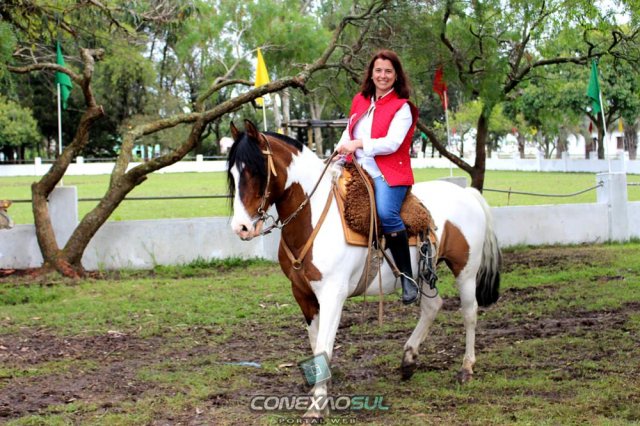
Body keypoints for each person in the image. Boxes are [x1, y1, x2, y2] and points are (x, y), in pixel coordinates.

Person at [335, 49, 419, 305]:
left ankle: (407, 277)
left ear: (396, 75)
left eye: (388, 71)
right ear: (371, 74)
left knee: (386, 213)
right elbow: (348, 132)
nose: (383, 75)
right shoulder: (360, 100)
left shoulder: (402, 107)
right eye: (378, 70)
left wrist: (359, 143)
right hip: (355, 167)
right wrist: (338, 153)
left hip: (387, 172)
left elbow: (392, 143)